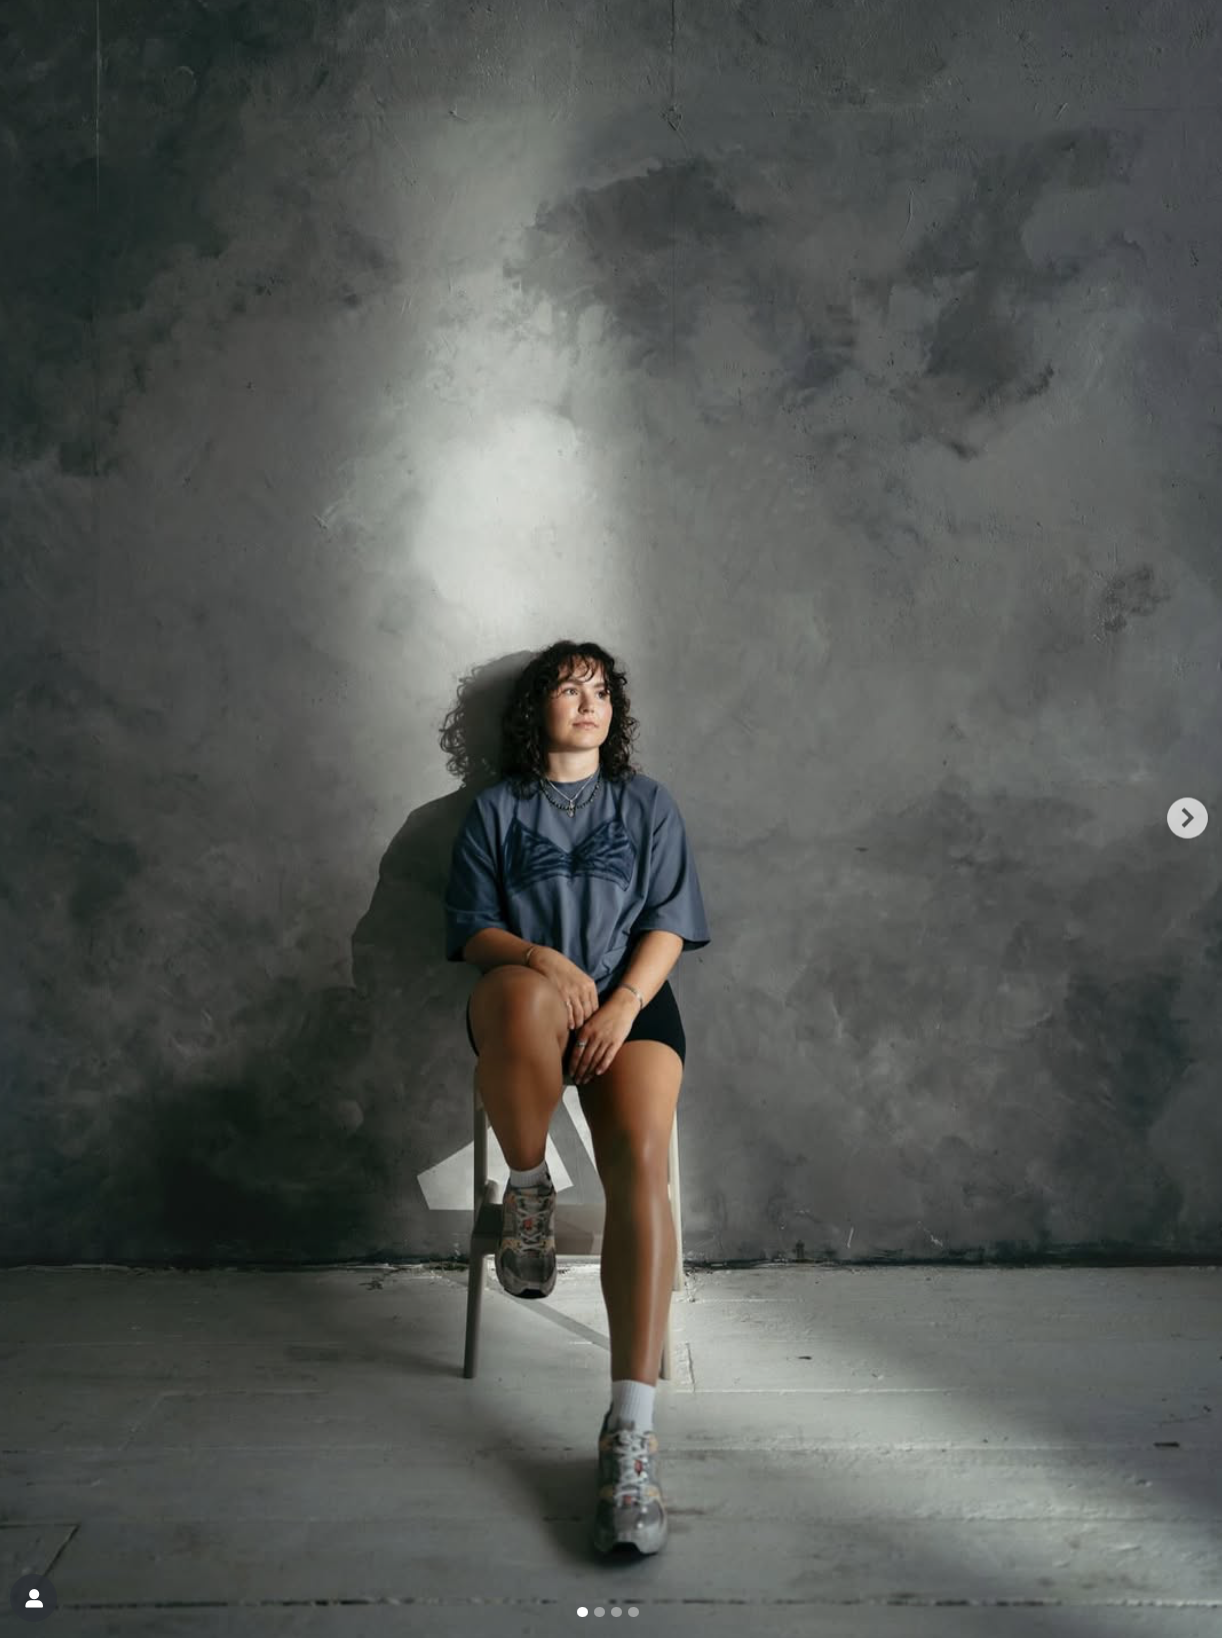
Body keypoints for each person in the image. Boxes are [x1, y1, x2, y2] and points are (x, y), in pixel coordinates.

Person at [444, 639, 711, 1556]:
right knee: (519, 996)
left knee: (640, 1164)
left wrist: (624, 1002)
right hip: (525, 1000)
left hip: (633, 1004)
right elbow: (473, 928)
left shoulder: (647, 804)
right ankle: (529, 1191)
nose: (588, 703)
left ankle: (629, 1432)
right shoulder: (495, 810)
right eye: (569, 688)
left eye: (601, 690)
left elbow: (672, 923)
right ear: (539, 711)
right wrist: (542, 960)